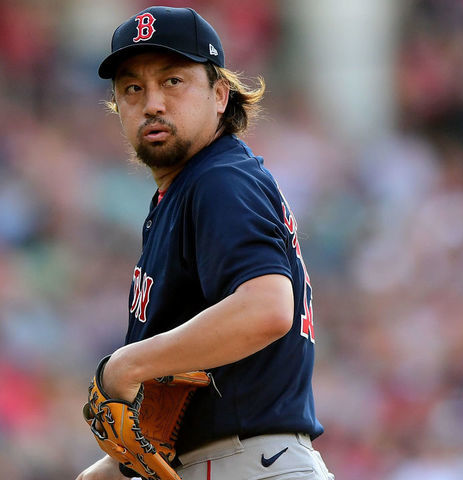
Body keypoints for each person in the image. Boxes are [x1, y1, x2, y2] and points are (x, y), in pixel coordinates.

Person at [76, 6, 333, 480]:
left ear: (220, 94)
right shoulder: (181, 195)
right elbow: (189, 398)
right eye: (133, 88)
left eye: (173, 81)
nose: (152, 102)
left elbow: (267, 308)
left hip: (248, 464)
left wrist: (128, 363)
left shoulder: (219, 179)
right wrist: (110, 470)